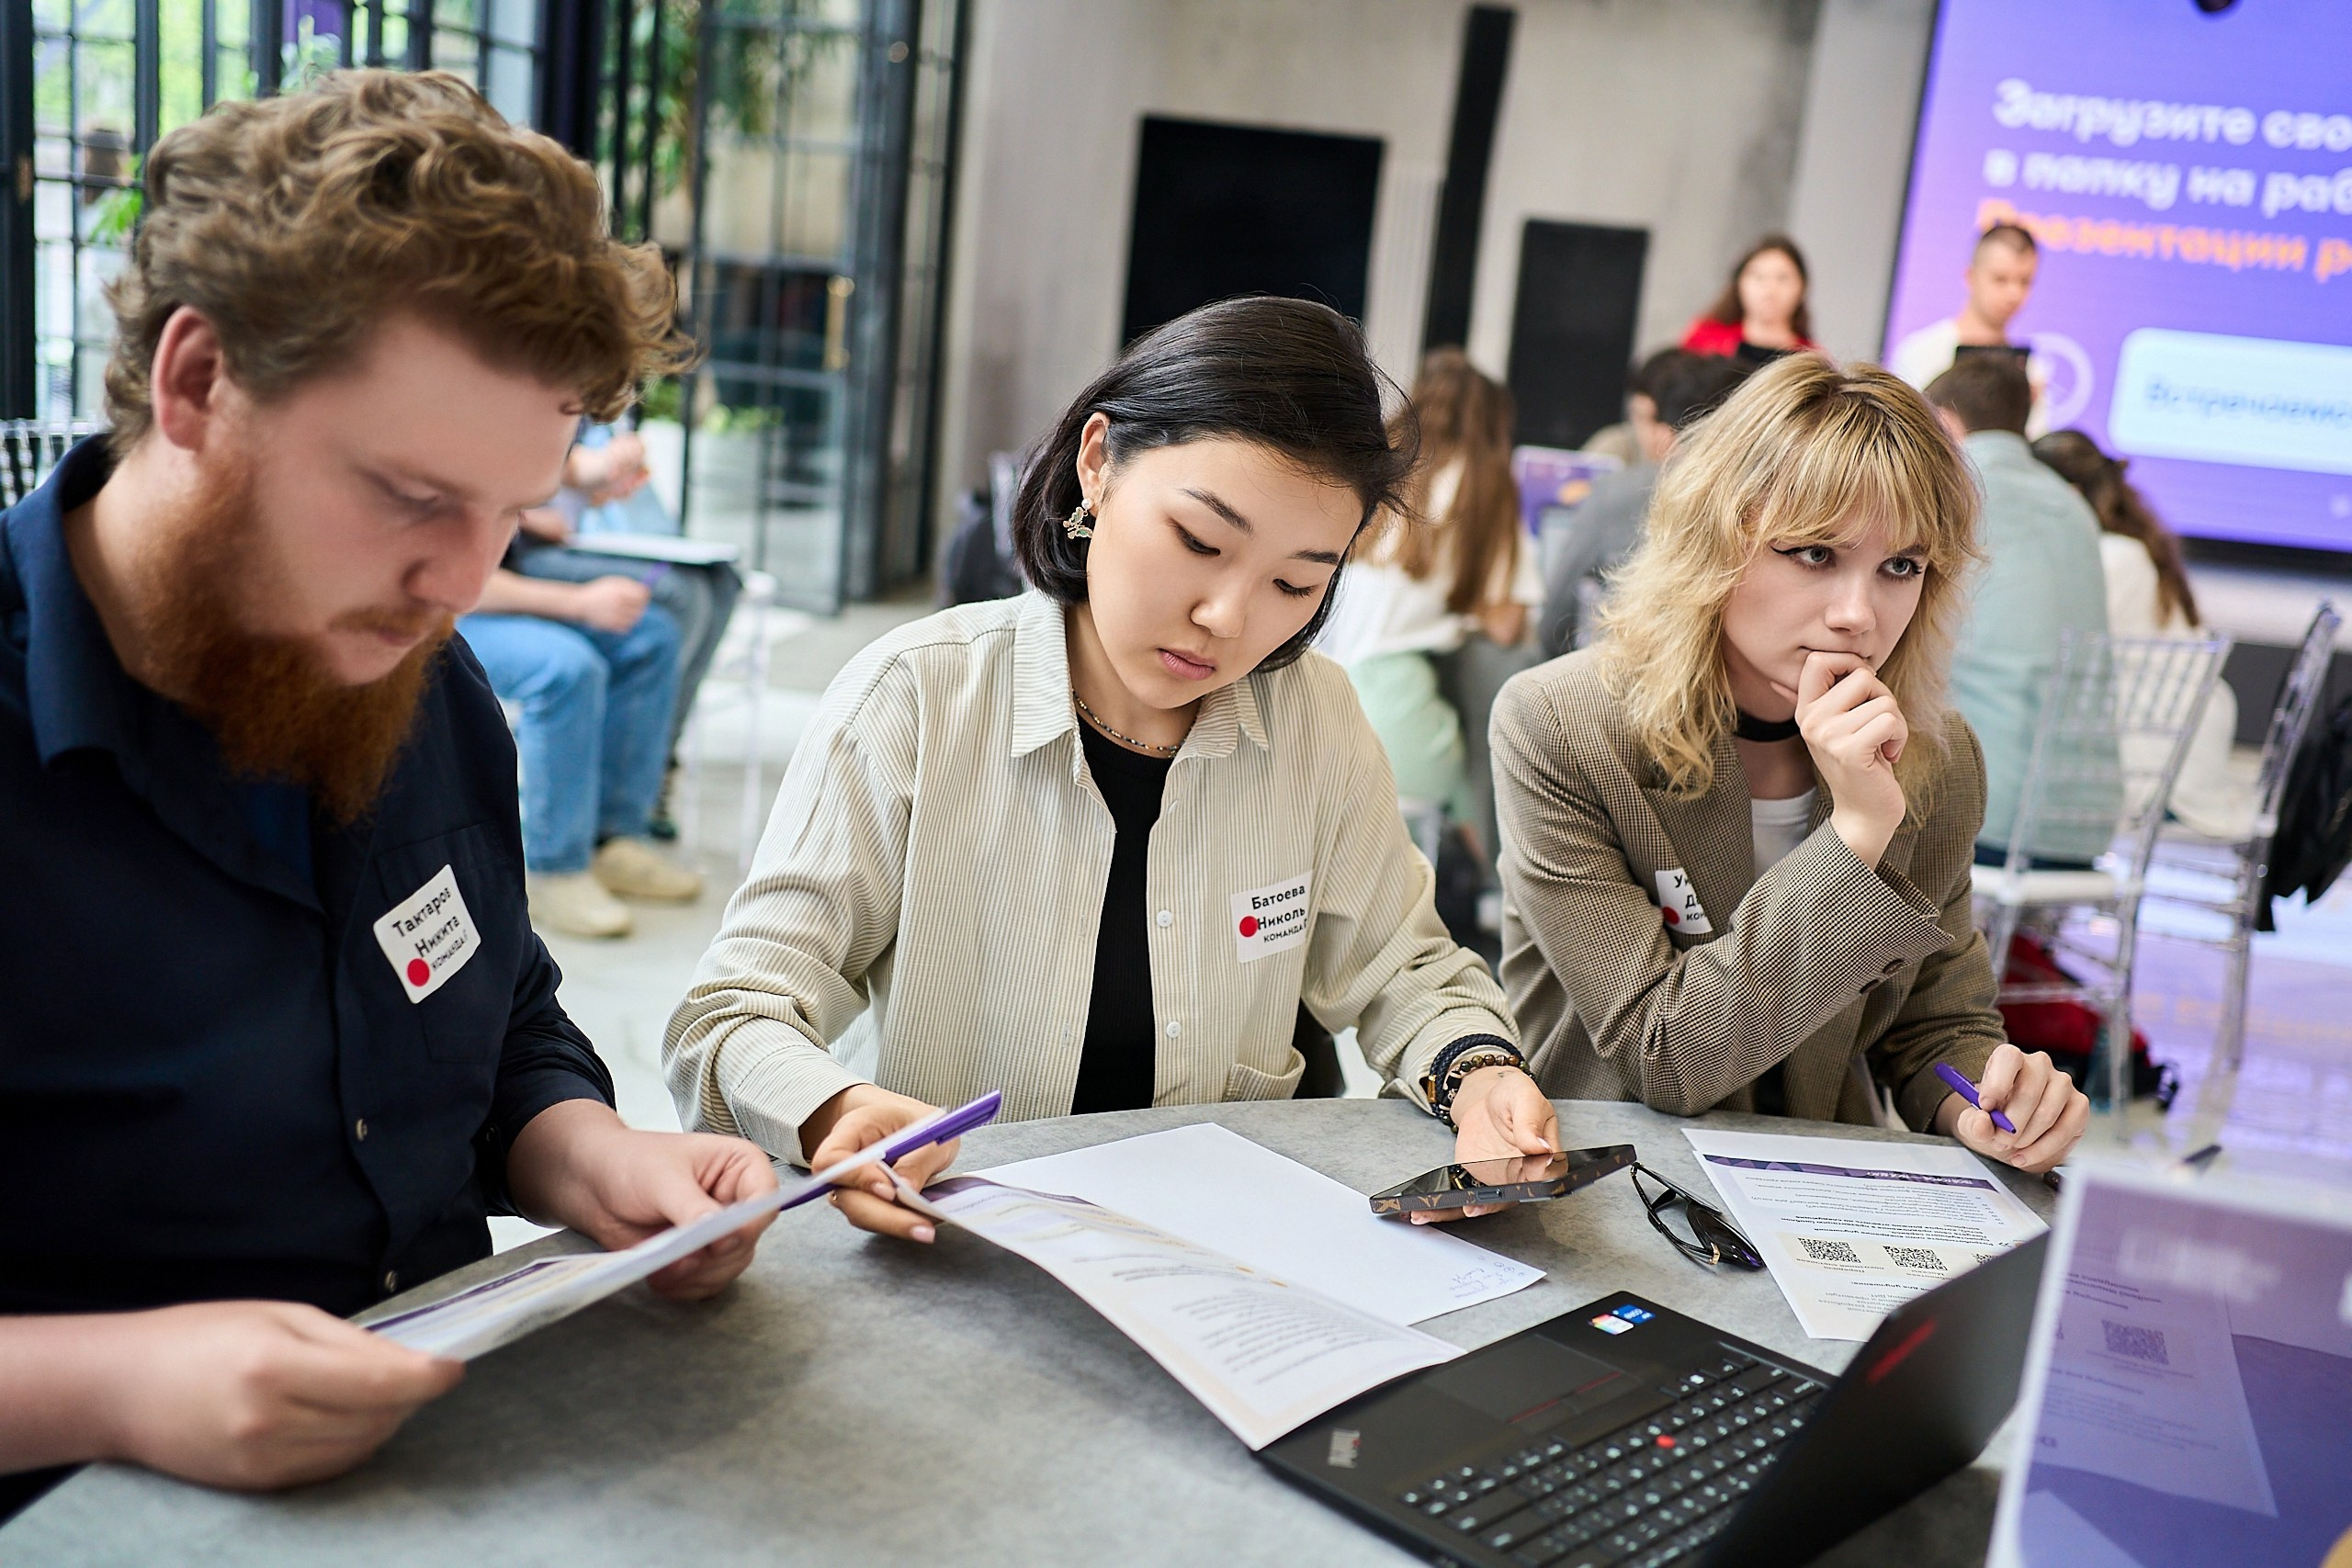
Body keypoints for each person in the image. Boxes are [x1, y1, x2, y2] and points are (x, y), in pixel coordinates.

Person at [0, 71, 779, 1515]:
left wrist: (584, 1150)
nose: (464, 584)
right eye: (414, 497)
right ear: (195, 383)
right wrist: (111, 1379)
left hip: (455, 1475)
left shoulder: (414, 668)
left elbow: (494, 1013)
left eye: (506, 510)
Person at [666, 298, 1559, 1241]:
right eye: (1199, 542)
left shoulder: (1315, 724)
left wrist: (1477, 1068)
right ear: (1097, 463)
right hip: (954, 1249)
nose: (1228, 616)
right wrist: (834, 1109)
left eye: (1295, 584)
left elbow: (1400, 970)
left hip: (1217, 1252)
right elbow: (730, 1013)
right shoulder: (918, 699)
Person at [1492, 355, 2089, 1174]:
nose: (1857, 614)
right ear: (1719, 540)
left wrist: (1988, 1096)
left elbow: (1933, 1028)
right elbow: (1665, 1053)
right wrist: (1854, 837)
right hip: (1610, 1183)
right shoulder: (1562, 725)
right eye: (1814, 553)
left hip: (1812, 1193)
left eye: (1901, 566)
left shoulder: (1938, 759)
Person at [1315, 349, 1541, 827]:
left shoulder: (1381, 467)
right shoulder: (1482, 484)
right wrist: (1463, 611)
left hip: (1317, 691)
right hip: (1392, 701)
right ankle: (1488, 888)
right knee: (1480, 773)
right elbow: (1506, 626)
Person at [1923, 356, 2114, 864]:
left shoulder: (1952, 492)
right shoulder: (2073, 507)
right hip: (2084, 825)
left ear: (1945, 422)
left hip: (1981, 817)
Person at [460, 544, 704, 940]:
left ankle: (612, 836)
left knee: (652, 635)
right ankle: (554, 868)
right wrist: (577, 602)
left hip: (493, 579)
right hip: (433, 608)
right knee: (568, 670)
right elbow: (448, 578)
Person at [518, 422, 745, 839]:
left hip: (551, 541)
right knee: (678, 597)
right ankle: (636, 777)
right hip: (521, 561)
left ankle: (652, 764)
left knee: (721, 582)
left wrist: (598, 481)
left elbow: (565, 479)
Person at [2033, 429, 2247, 840]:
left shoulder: (2109, 557)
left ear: (2071, 494)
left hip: (2159, 760)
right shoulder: (2128, 547)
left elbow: (2052, 658)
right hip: (2178, 742)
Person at [1537, 349, 1752, 658]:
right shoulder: (1767, 502)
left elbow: (1556, 620)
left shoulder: (1619, 493)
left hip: (1623, 675)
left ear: (1668, 426)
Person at [1890, 223, 2050, 434]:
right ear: (1971, 276)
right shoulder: (1920, 352)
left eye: (2025, 282)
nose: (2014, 294)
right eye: (2000, 279)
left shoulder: (2031, 371)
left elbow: (2032, 443)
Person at [1679, 235, 1818, 365]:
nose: (1770, 290)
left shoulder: (1811, 359)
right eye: (1759, 277)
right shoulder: (1706, 337)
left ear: (1802, 286)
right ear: (1739, 283)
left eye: (1783, 278)